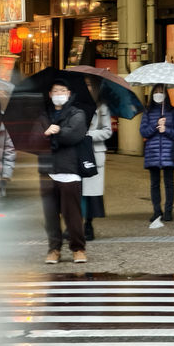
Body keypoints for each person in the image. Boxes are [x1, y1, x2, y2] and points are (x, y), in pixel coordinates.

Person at [33, 76, 88, 264]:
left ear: (69, 94)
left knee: (72, 213)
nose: (58, 95)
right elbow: (34, 139)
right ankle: (54, 249)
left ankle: (78, 248)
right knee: (50, 214)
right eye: (55, 91)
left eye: (62, 91)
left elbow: (75, 135)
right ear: (49, 94)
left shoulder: (77, 113)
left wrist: (57, 132)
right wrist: (45, 133)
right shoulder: (42, 116)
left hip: (70, 169)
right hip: (47, 170)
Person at [139, 84, 174, 223]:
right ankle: (157, 211)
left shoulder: (173, 112)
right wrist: (156, 125)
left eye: (161, 91)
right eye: (156, 91)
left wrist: (166, 129)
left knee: (169, 183)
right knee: (154, 184)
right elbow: (143, 131)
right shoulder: (147, 111)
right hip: (152, 153)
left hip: (169, 153)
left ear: (165, 94)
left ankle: (168, 211)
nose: (158, 94)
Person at [81, 77, 113, 241]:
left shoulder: (102, 108)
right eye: (85, 84)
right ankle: (75, 225)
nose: (88, 88)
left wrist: (89, 135)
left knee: (91, 192)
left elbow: (107, 131)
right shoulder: (76, 105)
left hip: (95, 152)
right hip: (78, 153)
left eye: (90, 85)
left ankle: (88, 224)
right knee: (77, 191)